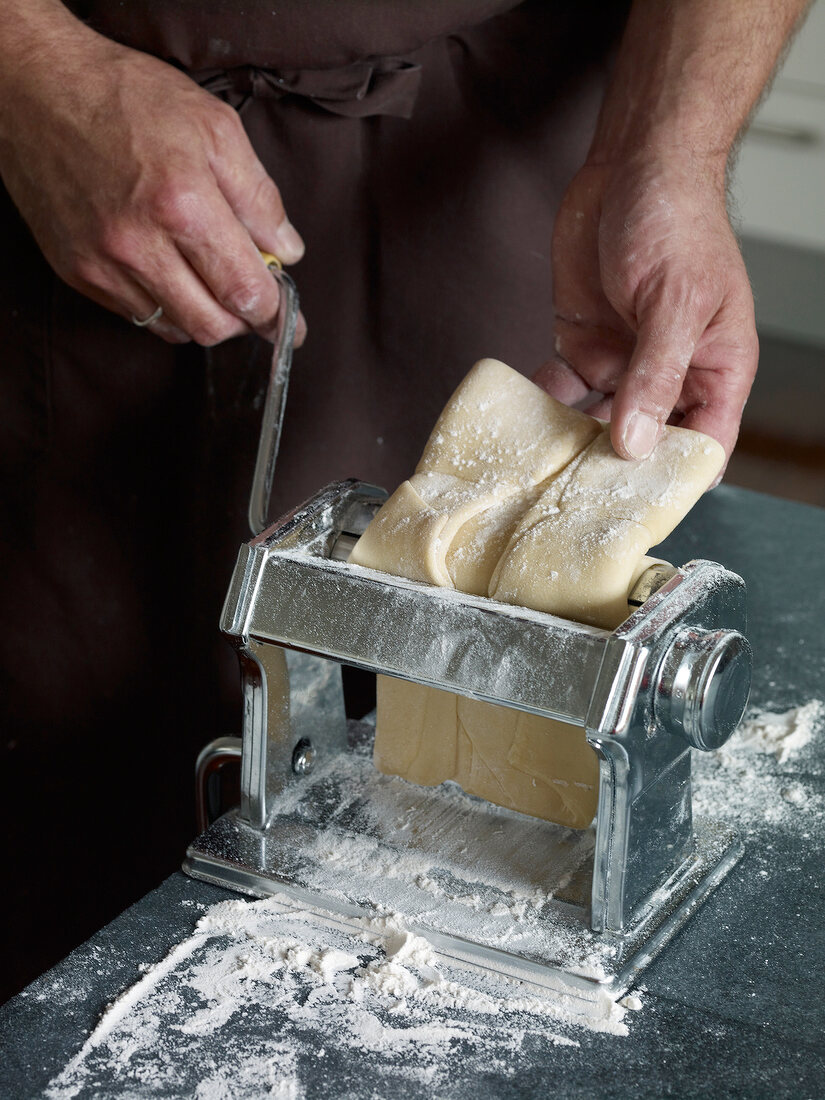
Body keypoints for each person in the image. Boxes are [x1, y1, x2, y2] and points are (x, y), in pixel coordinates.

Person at [0, 0, 809, 1003]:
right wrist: (29, 70)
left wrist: (671, 147)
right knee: (48, 807)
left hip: (510, 158)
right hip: (58, 165)